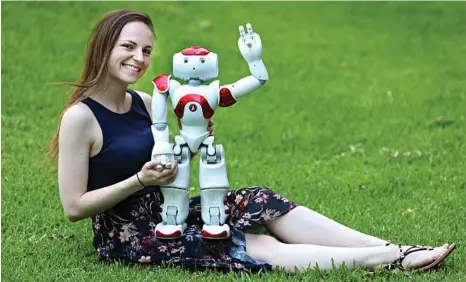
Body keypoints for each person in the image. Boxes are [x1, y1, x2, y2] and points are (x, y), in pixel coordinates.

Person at [48, 9, 455, 273]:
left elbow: (176, 145)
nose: (139, 57)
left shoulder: (145, 101)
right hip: (131, 235)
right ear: (104, 47)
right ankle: (384, 260)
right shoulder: (80, 118)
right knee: (254, 242)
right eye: (129, 47)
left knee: (261, 199)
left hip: (167, 210)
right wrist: (140, 180)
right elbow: (74, 207)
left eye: (147, 49)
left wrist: (195, 138)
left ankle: (394, 246)